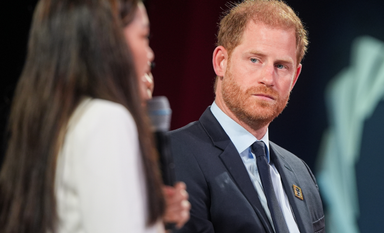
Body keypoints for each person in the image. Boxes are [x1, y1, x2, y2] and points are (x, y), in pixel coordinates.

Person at [0, 0, 189, 232]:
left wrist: (151, 213)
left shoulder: (56, 121)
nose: (150, 54)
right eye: (144, 37)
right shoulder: (106, 120)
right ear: (109, 42)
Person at [169, 0, 325, 233]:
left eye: (281, 66)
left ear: (295, 77)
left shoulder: (301, 174)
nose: (268, 78)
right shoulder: (175, 154)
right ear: (221, 62)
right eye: (255, 60)